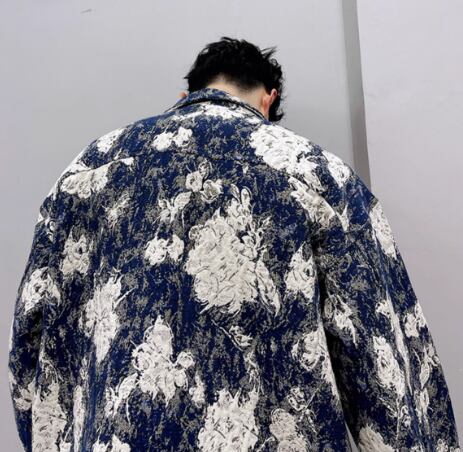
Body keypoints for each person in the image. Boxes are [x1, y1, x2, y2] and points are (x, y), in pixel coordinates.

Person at [7, 36, 460, 452]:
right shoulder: (317, 173)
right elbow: (381, 352)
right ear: (268, 100)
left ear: (185, 96)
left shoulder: (90, 170)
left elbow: (31, 337)